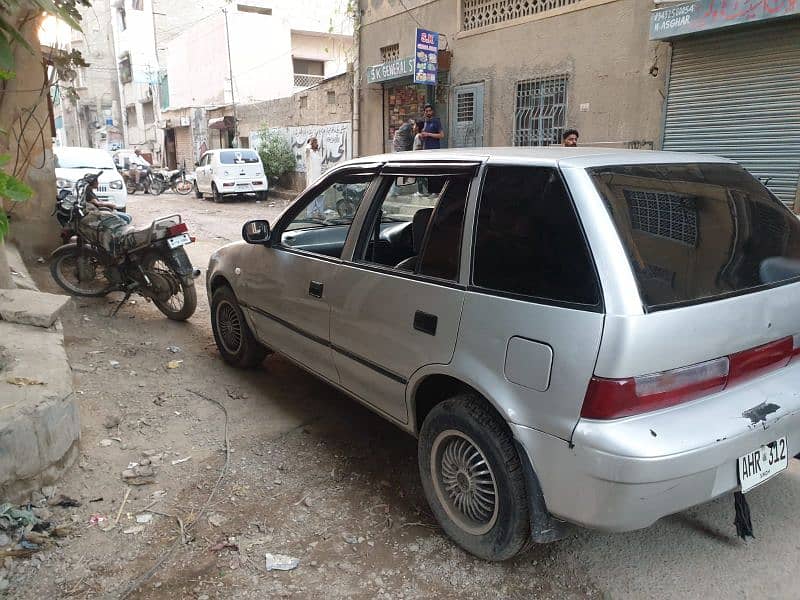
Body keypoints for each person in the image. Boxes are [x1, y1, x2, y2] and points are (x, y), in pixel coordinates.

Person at [304, 137, 325, 216]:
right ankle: (309, 215)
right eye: (315, 142)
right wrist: (310, 143)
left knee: (321, 196)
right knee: (311, 198)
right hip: (312, 180)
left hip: (320, 178)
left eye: (316, 142)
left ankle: (320, 213)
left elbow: (320, 166)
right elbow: (306, 148)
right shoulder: (309, 153)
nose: (317, 144)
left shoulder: (318, 153)